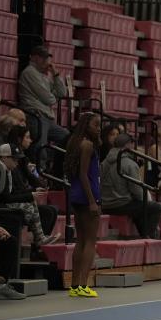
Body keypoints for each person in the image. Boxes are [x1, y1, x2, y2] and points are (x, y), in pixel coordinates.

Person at [64, 112, 102, 297]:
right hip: (88, 195)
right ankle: (83, 285)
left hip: (76, 194)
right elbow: (83, 175)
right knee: (90, 241)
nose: (99, 129)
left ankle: (74, 286)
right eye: (96, 125)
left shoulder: (75, 142)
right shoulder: (87, 145)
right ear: (87, 126)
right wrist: (92, 201)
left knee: (80, 240)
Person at [101, 133, 161, 239]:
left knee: (139, 208)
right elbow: (138, 192)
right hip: (121, 204)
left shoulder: (104, 162)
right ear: (128, 145)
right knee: (156, 207)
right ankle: (149, 237)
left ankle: (144, 236)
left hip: (105, 205)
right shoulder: (130, 164)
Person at [18, 45, 70, 161]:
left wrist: (55, 74)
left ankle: (52, 165)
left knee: (67, 137)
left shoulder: (44, 76)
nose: (46, 61)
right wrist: (54, 98)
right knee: (40, 149)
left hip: (48, 118)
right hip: (37, 116)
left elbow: (62, 93)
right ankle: (39, 170)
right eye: (43, 58)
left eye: (46, 58)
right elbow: (48, 99)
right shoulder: (29, 72)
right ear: (34, 58)